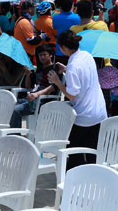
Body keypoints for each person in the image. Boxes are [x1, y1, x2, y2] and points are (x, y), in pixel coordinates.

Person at [47, 30, 107, 170]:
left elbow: (71, 95)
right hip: (99, 111)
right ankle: (93, 175)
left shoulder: (73, 66)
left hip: (84, 115)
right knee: (92, 150)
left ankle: (76, 175)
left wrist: (57, 82)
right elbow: (83, 74)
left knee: (73, 149)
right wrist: (67, 69)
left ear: (63, 47)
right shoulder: (86, 55)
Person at [10, 44, 61, 127]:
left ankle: (15, 133)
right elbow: (28, 87)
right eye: (40, 55)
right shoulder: (39, 69)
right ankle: (11, 131)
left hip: (44, 100)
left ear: (50, 55)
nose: (42, 57)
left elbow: (53, 87)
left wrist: (37, 94)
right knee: (10, 105)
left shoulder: (54, 68)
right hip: (32, 98)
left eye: (45, 55)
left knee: (16, 110)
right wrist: (27, 75)